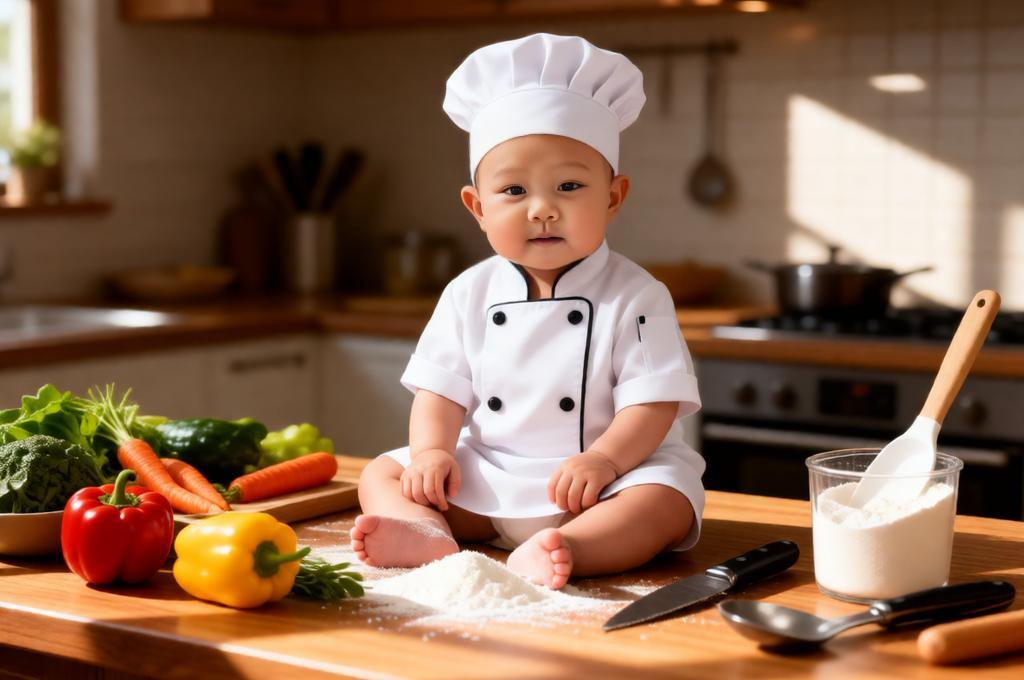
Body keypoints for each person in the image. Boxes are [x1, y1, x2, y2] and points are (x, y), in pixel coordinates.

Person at [351, 33, 705, 590]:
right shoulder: (467, 292)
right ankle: (423, 530)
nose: (542, 209)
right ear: (478, 207)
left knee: (665, 500)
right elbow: (439, 392)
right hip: (490, 477)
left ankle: (573, 547)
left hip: (601, 485)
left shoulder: (638, 294)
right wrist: (432, 453)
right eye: (514, 190)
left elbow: (654, 401)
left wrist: (607, 462)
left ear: (613, 197)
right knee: (384, 472)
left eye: (569, 185)